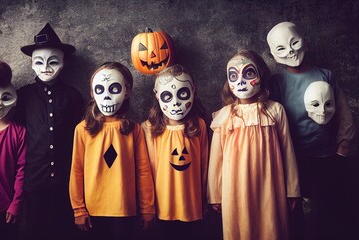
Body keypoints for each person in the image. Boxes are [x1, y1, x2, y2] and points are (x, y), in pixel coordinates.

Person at [266, 21, 357, 240]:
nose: (290, 51)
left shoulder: (326, 75)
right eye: (281, 48)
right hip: (294, 158)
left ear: (303, 41)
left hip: (327, 155)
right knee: (295, 208)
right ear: (273, 53)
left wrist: (343, 147)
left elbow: (344, 111)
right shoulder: (278, 82)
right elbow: (272, 118)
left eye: (294, 42)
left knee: (329, 208)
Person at [207, 49, 301, 240]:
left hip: (269, 184)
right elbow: (216, 158)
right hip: (235, 186)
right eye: (233, 76)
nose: (240, 81)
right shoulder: (225, 115)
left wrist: (293, 190)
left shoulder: (275, 110)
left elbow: (288, 151)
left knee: (270, 225)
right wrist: (214, 194)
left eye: (248, 73)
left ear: (261, 75)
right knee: (240, 226)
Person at [69, 62, 155, 240]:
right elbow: (77, 170)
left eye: (114, 88)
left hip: (124, 209)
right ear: (92, 93)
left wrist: (147, 207)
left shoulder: (134, 129)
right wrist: (78, 209)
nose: (107, 97)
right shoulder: (82, 129)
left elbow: (143, 171)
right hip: (92, 210)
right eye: (100, 89)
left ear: (127, 91)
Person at [15, 23, 84, 239]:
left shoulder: (73, 96)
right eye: (39, 61)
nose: (46, 66)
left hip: (66, 181)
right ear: (32, 65)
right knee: (34, 230)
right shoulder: (22, 96)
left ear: (63, 63)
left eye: (53, 61)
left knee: (63, 230)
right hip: (33, 181)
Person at [141, 64, 209, 240]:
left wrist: (204, 198)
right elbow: (145, 172)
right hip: (163, 205)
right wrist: (148, 205)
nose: (176, 103)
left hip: (191, 204)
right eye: (167, 96)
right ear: (157, 96)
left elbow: (205, 166)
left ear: (193, 91)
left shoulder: (199, 126)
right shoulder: (149, 129)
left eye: (182, 94)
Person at [0, 61, 26, 240]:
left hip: (5, 208)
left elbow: (22, 172)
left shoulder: (19, 132)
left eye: (4, 98)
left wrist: (15, 204)